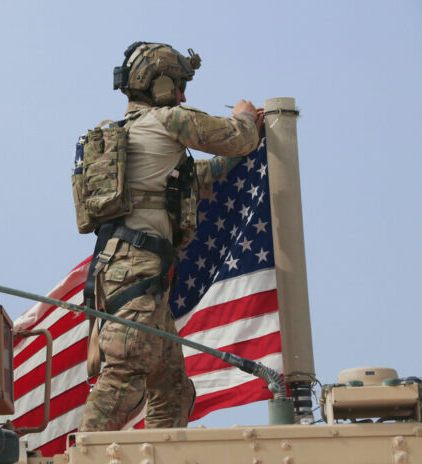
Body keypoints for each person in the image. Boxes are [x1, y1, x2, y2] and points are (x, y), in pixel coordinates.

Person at [79, 42, 264, 432]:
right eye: (178, 85)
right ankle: (86, 452)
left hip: (130, 268)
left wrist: (229, 162)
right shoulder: (168, 120)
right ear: (159, 84)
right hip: (137, 267)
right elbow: (238, 137)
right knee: (126, 372)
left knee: (173, 387)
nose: (183, 95)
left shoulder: (130, 135)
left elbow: (187, 182)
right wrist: (245, 118)